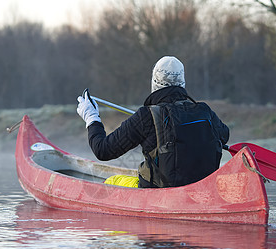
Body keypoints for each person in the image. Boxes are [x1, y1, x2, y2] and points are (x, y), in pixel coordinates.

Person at [77, 56, 229, 188]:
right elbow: (225, 135)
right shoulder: (204, 111)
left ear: (155, 82)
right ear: (182, 83)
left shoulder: (146, 116)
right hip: (202, 189)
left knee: (111, 180)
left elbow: (103, 150)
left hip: (160, 193)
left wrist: (91, 118)